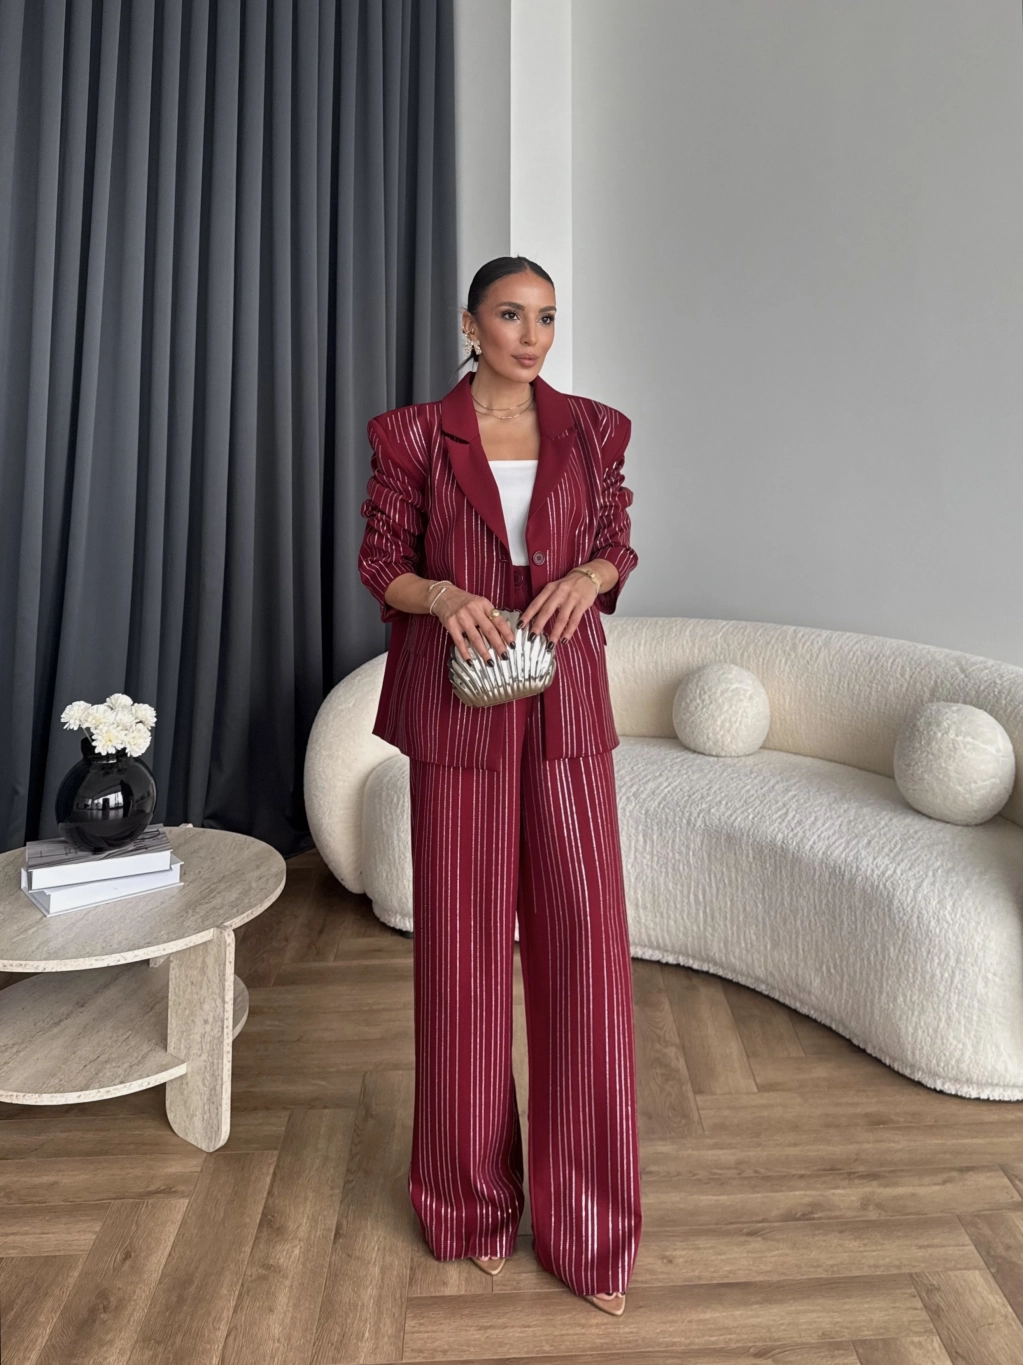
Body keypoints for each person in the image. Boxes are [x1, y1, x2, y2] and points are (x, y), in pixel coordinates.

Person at [357, 255, 642, 1316]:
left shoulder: (596, 429)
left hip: (565, 707)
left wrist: (589, 577)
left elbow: (616, 540)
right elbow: (380, 562)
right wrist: (442, 598)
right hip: (461, 709)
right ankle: (470, 1205)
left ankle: (591, 1232)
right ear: (470, 323)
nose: (533, 336)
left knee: (586, 954)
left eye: (548, 318)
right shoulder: (411, 435)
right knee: (463, 960)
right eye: (513, 316)